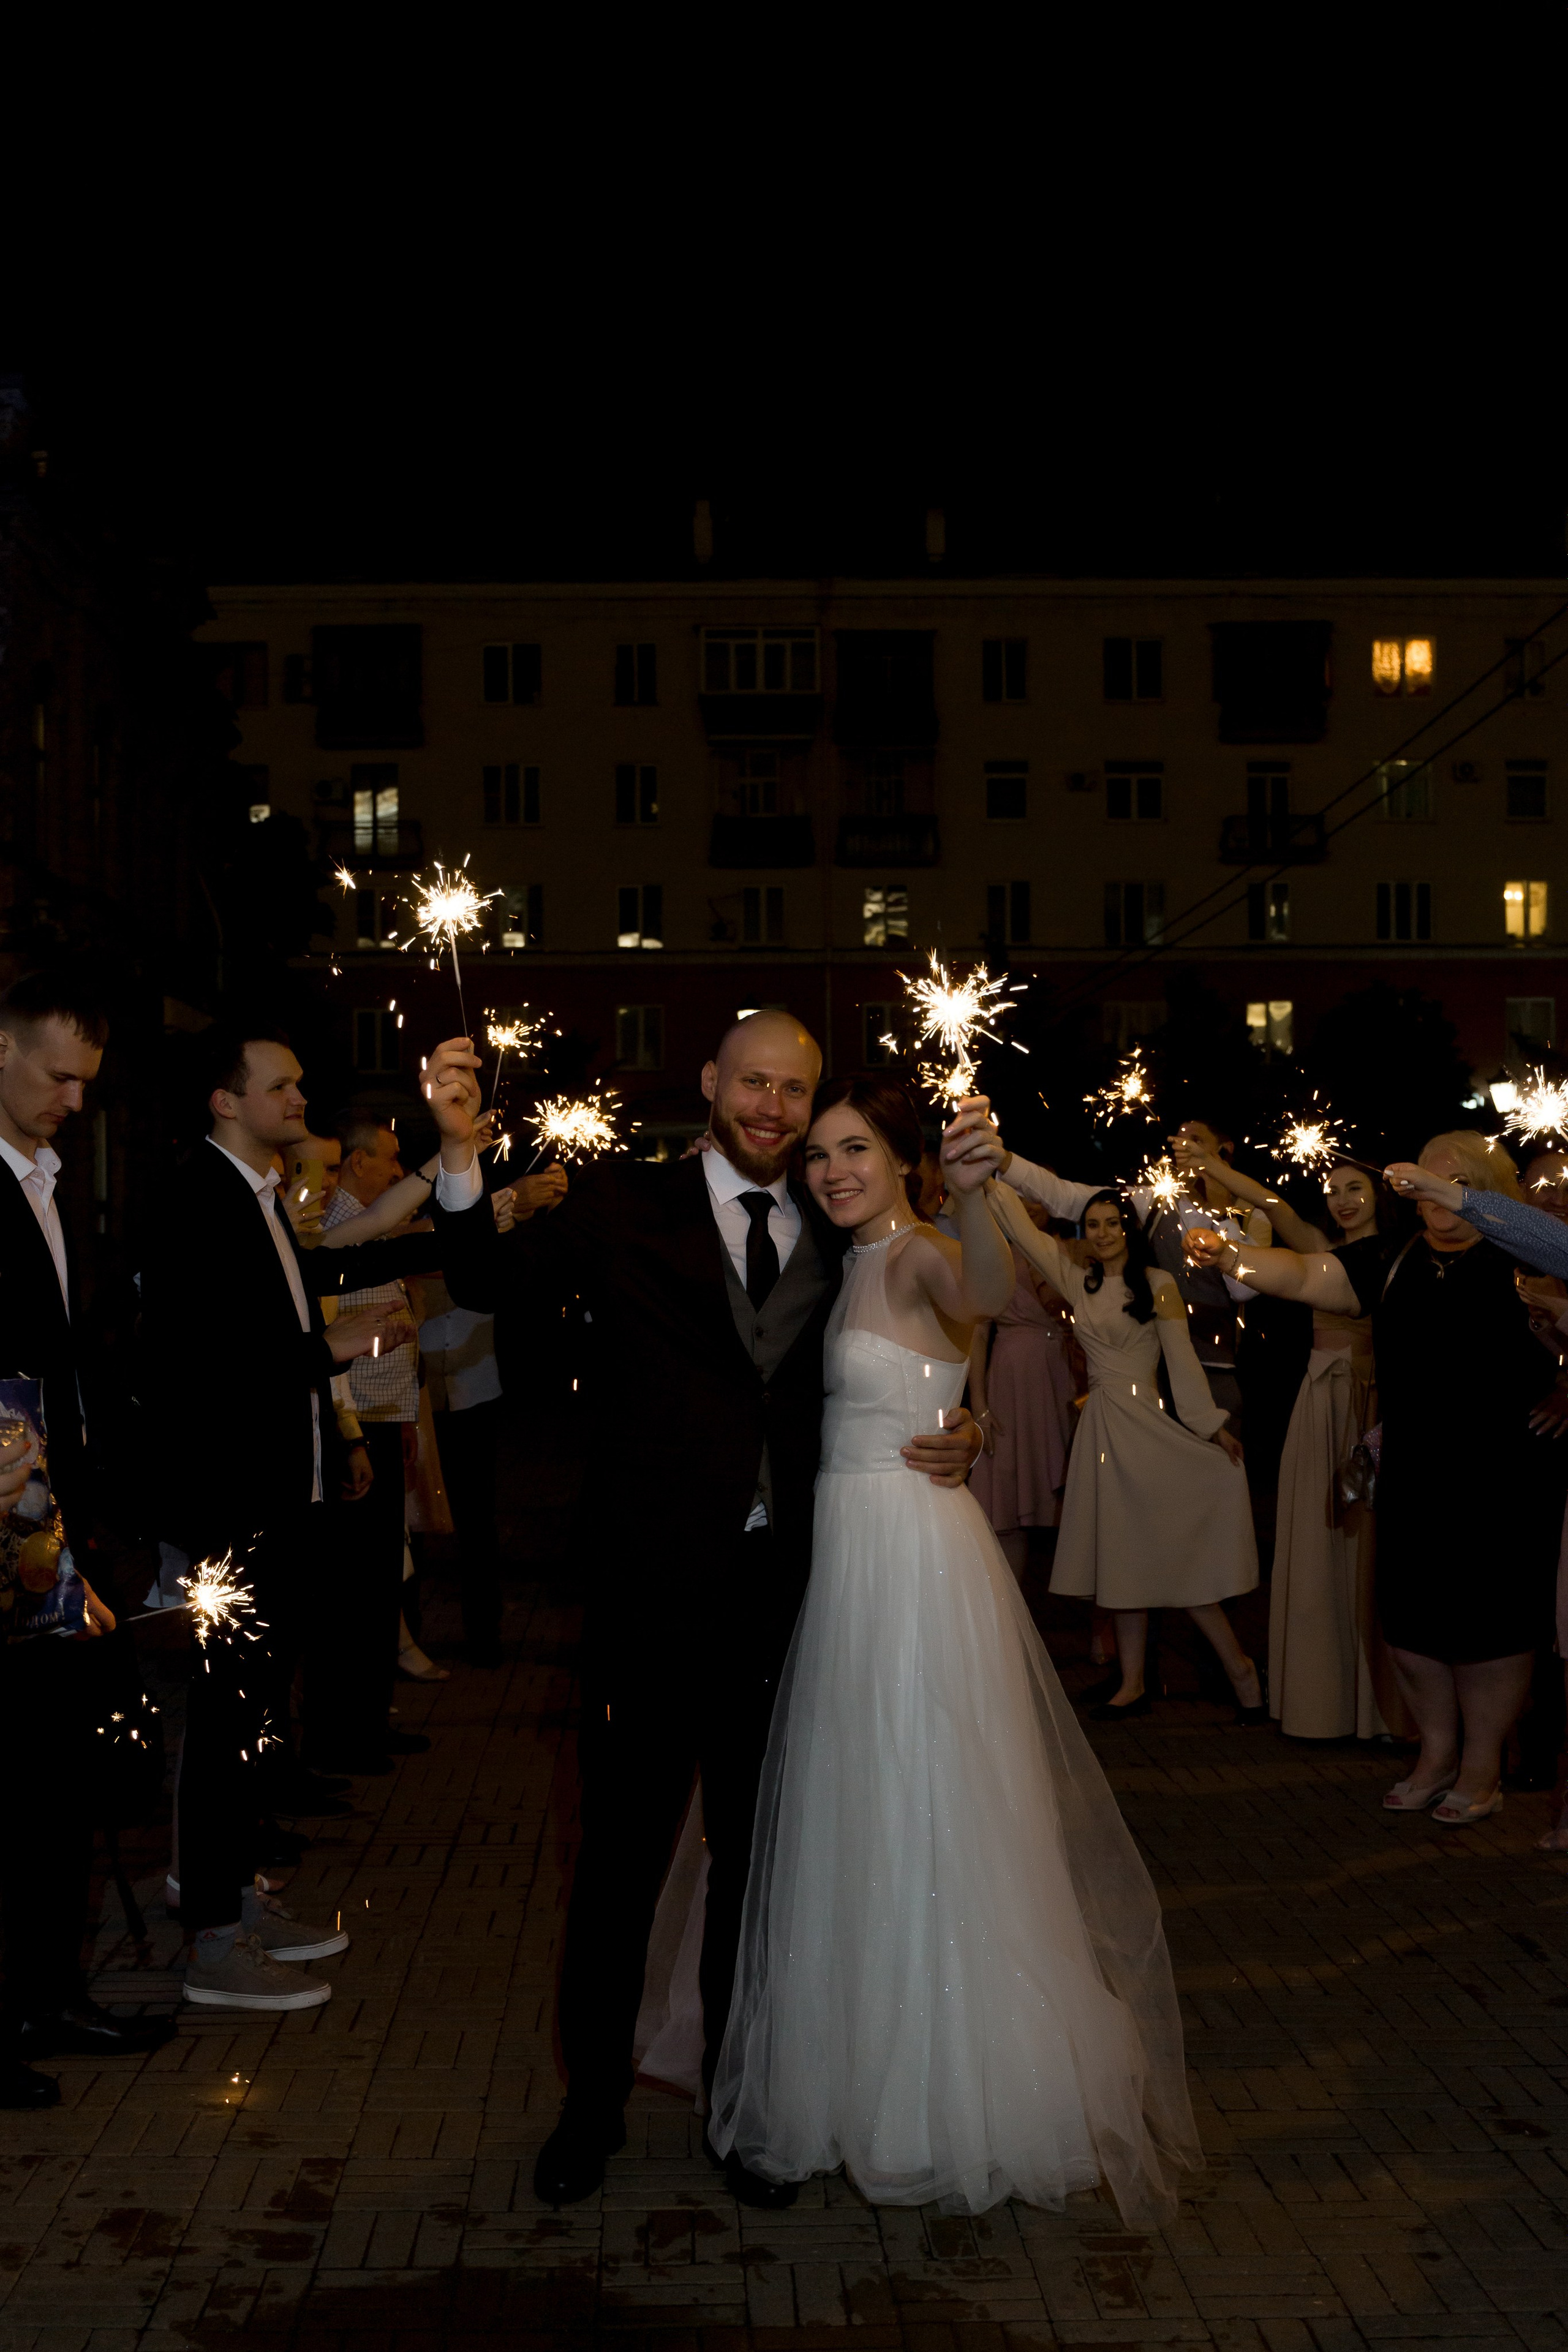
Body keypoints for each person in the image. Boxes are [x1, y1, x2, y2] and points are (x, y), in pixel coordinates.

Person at [420, 1015, 985, 2209]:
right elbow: (481, 1282)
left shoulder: (842, 1232)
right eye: (754, 1084)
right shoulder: (623, 1205)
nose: (774, 1108)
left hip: (792, 1606)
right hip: (644, 1594)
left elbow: (929, 1337)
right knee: (618, 1859)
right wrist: (462, 1153)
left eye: (794, 1087)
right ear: (709, 1083)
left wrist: (959, 1421)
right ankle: (591, 2107)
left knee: (755, 1866)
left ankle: (740, 2106)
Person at [709, 1078, 1199, 2223]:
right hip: (842, 1560)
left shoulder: (928, 1249)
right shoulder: (837, 1266)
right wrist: (965, 1420)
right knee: (854, 1807)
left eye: (856, 1150)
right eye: (821, 1154)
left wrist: (979, 1193)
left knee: (933, 1796)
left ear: (903, 1158)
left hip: (913, 1560)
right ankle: (855, 2069)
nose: (833, 1170)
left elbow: (983, 1295)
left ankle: (953, 2090)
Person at [137, 1027, 408, 2011]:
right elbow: (198, 1358)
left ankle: (235, 1901)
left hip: (271, 1494)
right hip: (223, 1503)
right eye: (281, 1085)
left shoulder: (255, 1198)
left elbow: (281, 1321)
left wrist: (329, 1434)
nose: (301, 1098)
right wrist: (327, 1350)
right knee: (218, 1719)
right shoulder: (192, 1199)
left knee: (249, 1714)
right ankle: (210, 1934)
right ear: (225, 1100)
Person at [1189, 1133, 1566, 1824]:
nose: (1432, 1188)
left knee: (1494, 1623)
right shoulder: (1392, 1259)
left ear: (1483, 1188)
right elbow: (1305, 1276)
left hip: (1505, 1475)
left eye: (1455, 1180)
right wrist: (1229, 1253)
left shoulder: (1523, 1257)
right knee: (1412, 1621)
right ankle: (1436, 1753)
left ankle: (1482, 1767)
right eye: (1426, 1176)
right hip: (1418, 1468)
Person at [0, 970, 176, 2108]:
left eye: (87, 1080)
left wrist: (74, 1540)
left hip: (40, 1530)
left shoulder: (51, 1184)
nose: (74, 1096)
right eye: (56, 1072)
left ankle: (45, 1989)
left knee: (51, 1774)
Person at [987, 1185, 1262, 1721]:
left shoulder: (1158, 1285)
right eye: (1093, 1225)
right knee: (1122, 1557)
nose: (1104, 1233)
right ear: (1084, 1235)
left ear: (1128, 1230)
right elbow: (1022, 1231)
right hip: (1101, 1429)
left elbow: (1181, 1360)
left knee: (1176, 1556)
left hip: (1145, 1425)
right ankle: (1133, 1684)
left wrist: (1211, 1429)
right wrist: (988, 1177)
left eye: (1113, 1223)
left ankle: (1241, 1669)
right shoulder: (1077, 1280)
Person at [1174, 1140, 1406, 1741]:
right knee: (1324, 1542)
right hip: (1326, 1399)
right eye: (1333, 1191)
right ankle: (1329, 1698)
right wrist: (1211, 1170)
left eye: (1354, 1188)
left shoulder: (1401, 1255)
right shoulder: (1323, 1251)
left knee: (1377, 1551)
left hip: (1377, 1403)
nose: (1343, 1200)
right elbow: (1273, 1208)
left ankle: (1385, 1705)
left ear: (1379, 1191)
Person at [310, 1114, 434, 1771]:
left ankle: (368, 1720)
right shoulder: (336, 1227)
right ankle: (344, 1733)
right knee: (356, 1589)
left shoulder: (367, 1221)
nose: (394, 1168)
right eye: (386, 1159)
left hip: (381, 1418)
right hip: (356, 1424)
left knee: (378, 1580)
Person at [418, 1164, 567, 1665]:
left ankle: (485, 1634)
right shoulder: (416, 1220)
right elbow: (444, 1251)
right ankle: (408, 1636)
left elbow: (510, 1256)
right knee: (413, 1525)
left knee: (477, 1520)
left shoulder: (496, 1226)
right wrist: (511, 1198)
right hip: (413, 1396)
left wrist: (535, 1205)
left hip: (471, 1388)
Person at [967, 1202, 1076, 1581]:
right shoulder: (994, 1251)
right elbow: (978, 1331)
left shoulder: (1064, 1249)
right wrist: (979, 1404)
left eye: (1039, 1195)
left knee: (1073, 1496)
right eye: (1023, 1195)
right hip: (1013, 1376)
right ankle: (1006, 1608)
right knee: (1009, 1497)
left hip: (1060, 1369)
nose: (1033, 1204)